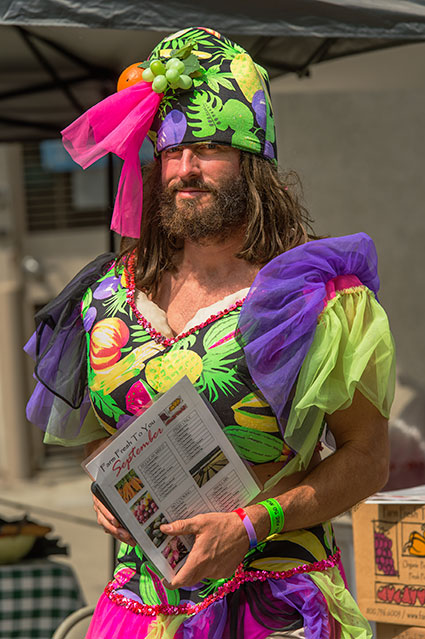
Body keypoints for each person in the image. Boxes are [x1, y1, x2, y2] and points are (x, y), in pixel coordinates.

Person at [25, 27, 395, 639]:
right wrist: (109, 485)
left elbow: (367, 458)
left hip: (271, 608)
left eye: (208, 148)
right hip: (140, 610)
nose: (185, 169)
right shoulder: (107, 296)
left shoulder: (317, 299)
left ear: (253, 163)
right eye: (171, 151)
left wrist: (251, 524)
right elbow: (99, 436)